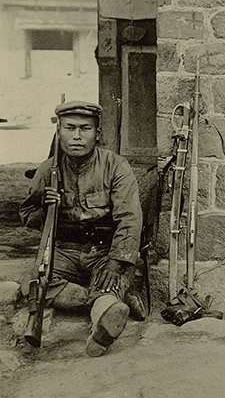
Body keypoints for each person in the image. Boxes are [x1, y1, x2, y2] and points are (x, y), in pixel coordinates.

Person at [20, 100, 143, 357]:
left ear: (97, 134)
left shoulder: (115, 166)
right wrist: (45, 206)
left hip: (104, 252)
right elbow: (27, 215)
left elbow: (130, 218)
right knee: (32, 284)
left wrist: (115, 262)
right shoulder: (47, 170)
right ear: (59, 132)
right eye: (69, 128)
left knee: (111, 282)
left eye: (85, 128)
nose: (76, 136)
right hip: (63, 251)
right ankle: (106, 298)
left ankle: (103, 326)